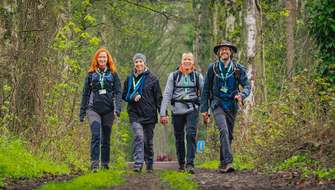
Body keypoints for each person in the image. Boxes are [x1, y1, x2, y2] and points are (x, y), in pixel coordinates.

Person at [200, 40, 251, 173]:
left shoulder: (238, 68)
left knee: (229, 135)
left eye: (226, 49)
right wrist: (204, 110)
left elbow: (247, 85)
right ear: (218, 53)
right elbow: (205, 90)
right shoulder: (213, 68)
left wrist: (242, 95)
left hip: (232, 106)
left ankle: (222, 163)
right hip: (217, 104)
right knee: (223, 130)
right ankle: (228, 162)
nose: (224, 51)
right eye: (221, 49)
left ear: (231, 52)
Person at [160, 52, 204, 174]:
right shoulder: (173, 76)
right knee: (179, 138)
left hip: (192, 109)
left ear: (193, 62)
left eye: (189, 59)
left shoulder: (197, 76)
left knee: (190, 135)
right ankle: (181, 164)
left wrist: (206, 112)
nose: (187, 61)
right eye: (185, 59)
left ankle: (190, 164)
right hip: (177, 110)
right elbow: (167, 94)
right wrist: (163, 113)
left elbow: (204, 95)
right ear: (181, 61)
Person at [79, 47, 122, 172]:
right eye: (100, 57)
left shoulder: (113, 74)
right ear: (96, 59)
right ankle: (94, 164)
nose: (102, 59)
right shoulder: (91, 74)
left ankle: (105, 163)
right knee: (96, 135)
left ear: (108, 59)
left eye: (104, 57)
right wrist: (82, 112)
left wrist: (117, 108)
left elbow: (118, 92)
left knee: (106, 138)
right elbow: (85, 93)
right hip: (93, 110)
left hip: (109, 110)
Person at [122, 53, 162, 173]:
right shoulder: (129, 79)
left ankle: (149, 164)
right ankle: (138, 164)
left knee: (148, 141)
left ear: (144, 63)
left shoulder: (153, 78)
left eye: (140, 61)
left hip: (150, 115)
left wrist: (163, 114)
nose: (138, 64)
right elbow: (124, 95)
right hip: (134, 114)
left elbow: (158, 98)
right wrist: (132, 97)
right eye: (136, 62)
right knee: (139, 136)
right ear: (134, 63)